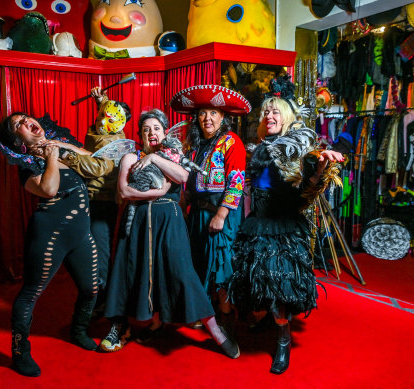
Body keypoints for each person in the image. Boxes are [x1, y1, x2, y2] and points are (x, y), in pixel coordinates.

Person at [98, 108, 239, 359]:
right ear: (140, 136)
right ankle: (121, 326)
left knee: (183, 274)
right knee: (128, 273)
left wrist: (154, 160)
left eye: (156, 128)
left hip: (169, 221)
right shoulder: (130, 158)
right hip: (137, 223)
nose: (151, 132)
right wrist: (158, 191)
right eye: (146, 129)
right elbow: (123, 193)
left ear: (164, 133)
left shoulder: (174, 156)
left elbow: (183, 175)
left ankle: (216, 332)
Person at [227, 87, 344, 375]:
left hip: (283, 225)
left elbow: (306, 189)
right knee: (258, 278)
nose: (269, 115)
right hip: (257, 221)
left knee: (280, 284)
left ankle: (282, 342)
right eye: (266, 111)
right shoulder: (257, 150)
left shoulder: (297, 148)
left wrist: (319, 168)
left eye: (275, 110)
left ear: (288, 117)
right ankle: (269, 318)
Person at [0, 112, 113, 377]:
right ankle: (20, 351)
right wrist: (51, 157)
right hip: (50, 235)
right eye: (18, 124)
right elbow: (48, 189)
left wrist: (59, 146)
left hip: (81, 233)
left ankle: (78, 330)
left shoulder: (59, 150)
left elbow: (92, 159)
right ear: (17, 139)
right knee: (30, 293)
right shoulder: (27, 163)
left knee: (92, 288)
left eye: (26, 118)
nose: (25, 122)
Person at [170, 85, 251, 331]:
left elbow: (236, 182)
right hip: (198, 212)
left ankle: (224, 318)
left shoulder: (231, 142)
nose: (208, 118)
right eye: (203, 113)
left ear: (223, 117)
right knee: (200, 261)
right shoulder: (194, 147)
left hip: (220, 213)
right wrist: (184, 204)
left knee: (221, 263)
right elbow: (189, 181)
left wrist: (221, 215)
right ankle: (204, 310)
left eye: (213, 113)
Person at [85, 86, 130, 309]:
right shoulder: (105, 133)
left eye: (111, 116)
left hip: (101, 202)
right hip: (94, 200)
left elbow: (95, 168)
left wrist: (68, 156)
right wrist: (101, 100)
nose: (103, 120)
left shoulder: (114, 141)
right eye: (103, 113)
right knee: (94, 252)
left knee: (99, 254)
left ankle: (102, 300)